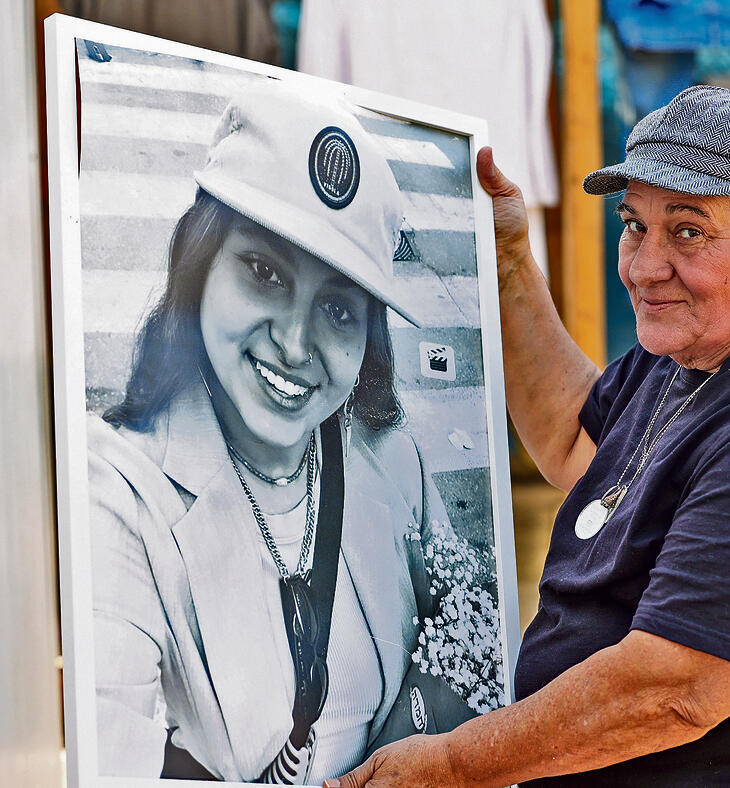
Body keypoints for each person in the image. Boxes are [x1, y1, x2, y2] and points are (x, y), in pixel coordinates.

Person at [328, 85, 730, 786]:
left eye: (687, 231)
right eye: (633, 225)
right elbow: (580, 444)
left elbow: (674, 690)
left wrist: (452, 764)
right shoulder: (705, 346)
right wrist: (504, 260)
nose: (642, 266)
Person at [88, 84, 474, 784]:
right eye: (265, 273)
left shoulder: (393, 460)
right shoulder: (117, 495)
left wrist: (412, 743)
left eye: (337, 306)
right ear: (199, 266)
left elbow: (469, 625)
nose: (296, 344)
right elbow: (104, 746)